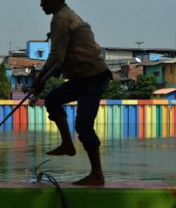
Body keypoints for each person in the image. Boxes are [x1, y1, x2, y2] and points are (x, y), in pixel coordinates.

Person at [33, 0, 112, 185]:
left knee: (84, 126)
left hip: (93, 77)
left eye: (44, 1)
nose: (41, 5)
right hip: (82, 78)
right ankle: (68, 145)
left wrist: (40, 79)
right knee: (52, 100)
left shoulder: (61, 19)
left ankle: (97, 175)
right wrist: (44, 79)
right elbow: (65, 56)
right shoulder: (67, 15)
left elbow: (56, 57)